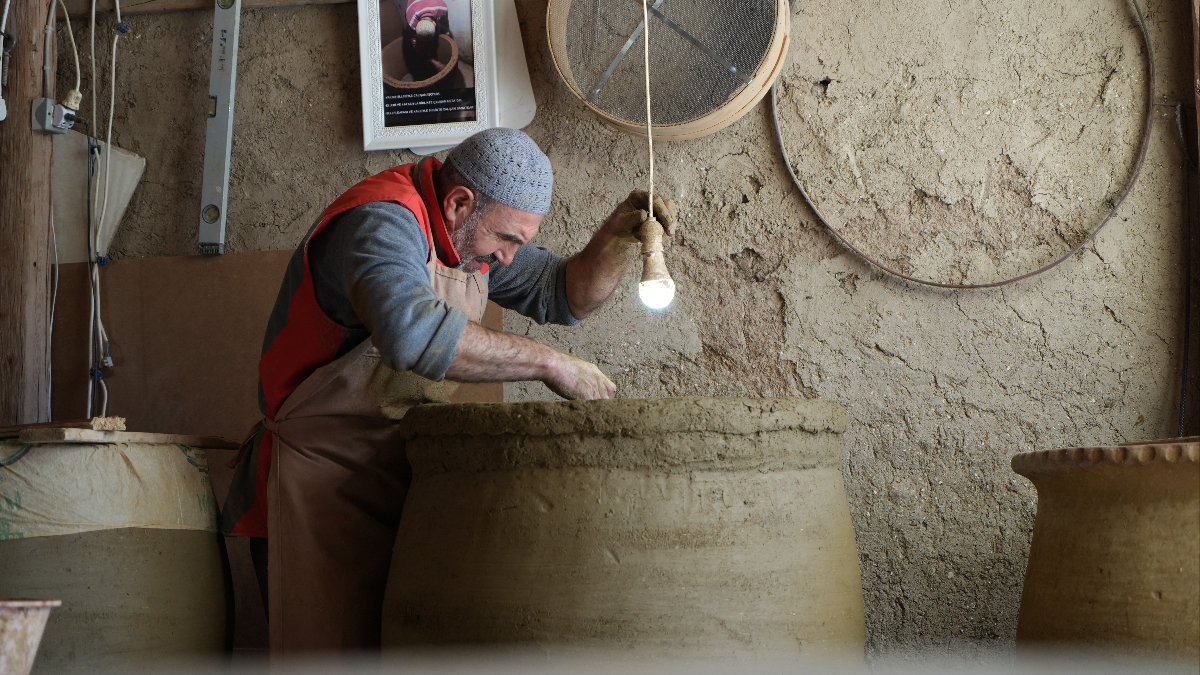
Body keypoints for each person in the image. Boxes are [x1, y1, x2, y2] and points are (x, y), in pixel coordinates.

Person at [220, 127, 677, 654]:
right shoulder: (381, 223)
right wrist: (546, 363)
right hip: (311, 484)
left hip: (391, 475)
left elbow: (563, 295)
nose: (508, 258)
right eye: (507, 240)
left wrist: (615, 240)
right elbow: (409, 334)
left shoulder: (468, 240)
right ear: (461, 203)